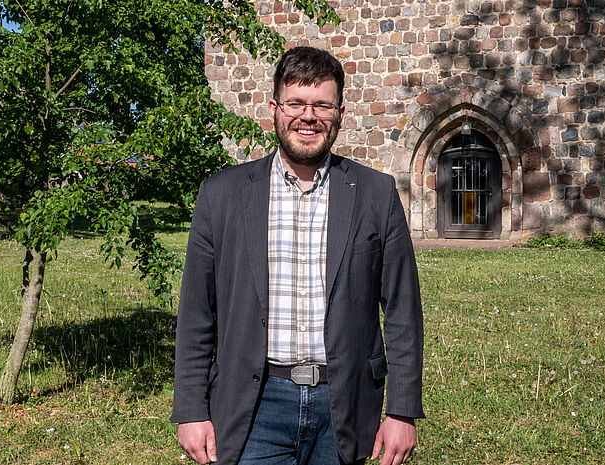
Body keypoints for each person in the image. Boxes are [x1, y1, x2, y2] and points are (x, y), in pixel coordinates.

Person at [171, 46, 424, 465]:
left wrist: (401, 410)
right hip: (254, 407)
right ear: (274, 108)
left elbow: (402, 311)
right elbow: (197, 313)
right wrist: (192, 410)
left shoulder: (376, 194)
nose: (308, 116)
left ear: (340, 112)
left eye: (322, 105)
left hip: (343, 405)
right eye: (295, 103)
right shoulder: (221, 194)